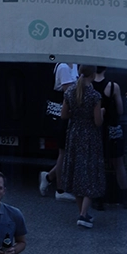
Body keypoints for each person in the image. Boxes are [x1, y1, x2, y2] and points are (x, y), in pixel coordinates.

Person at [58, 71, 105, 226]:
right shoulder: (94, 95)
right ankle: (83, 214)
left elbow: (63, 115)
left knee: (77, 172)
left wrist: (75, 114)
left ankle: (81, 212)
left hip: (74, 134)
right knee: (90, 172)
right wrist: (101, 113)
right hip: (89, 136)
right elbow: (97, 122)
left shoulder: (70, 92)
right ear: (92, 75)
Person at [92, 64, 127, 206]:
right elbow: (120, 110)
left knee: (98, 163)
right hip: (112, 129)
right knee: (118, 163)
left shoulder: (88, 86)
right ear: (106, 68)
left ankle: (98, 198)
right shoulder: (113, 87)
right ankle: (125, 197)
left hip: (95, 129)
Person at [41, 60, 78, 198]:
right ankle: (60, 190)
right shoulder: (63, 67)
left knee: (68, 151)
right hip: (60, 114)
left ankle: (49, 177)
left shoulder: (75, 65)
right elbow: (69, 93)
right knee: (63, 151)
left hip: (70, 114)